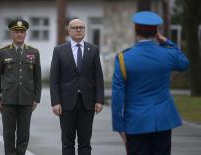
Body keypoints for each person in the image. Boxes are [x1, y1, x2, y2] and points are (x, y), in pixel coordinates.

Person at [111, 11, 190, 155]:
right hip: (162, 121)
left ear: (136, 30)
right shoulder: (167, 54)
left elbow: (117, 95)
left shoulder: (123, 58)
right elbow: (184, 63)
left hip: (136, 123)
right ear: (156, 32)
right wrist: (166, 41)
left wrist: (119, 126)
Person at [49, 18, 104, 155]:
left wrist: (99, 100)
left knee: (85, 142)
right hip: (66, 103)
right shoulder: (60, 50)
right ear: (69, 31)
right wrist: (55, 102)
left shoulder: (93, 50)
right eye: (75, 27)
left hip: (87, 103)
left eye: (82, 27)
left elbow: (98, 77)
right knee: (68, 142)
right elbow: (54, 79)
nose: (79, 30)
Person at [0, 18, 42, 155]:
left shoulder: (34, 52)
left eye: (22, 32)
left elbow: (37, 78)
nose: (19, 34)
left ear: (25, 34)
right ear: (11, 34)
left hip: (27, 100)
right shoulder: (2, 52)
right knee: (8, 134)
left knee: (23, 134)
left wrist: (36, 98)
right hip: (8, 100)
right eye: (16, 32)